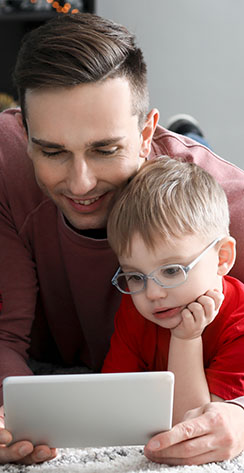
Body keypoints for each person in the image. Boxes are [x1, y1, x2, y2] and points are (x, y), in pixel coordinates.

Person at [0, 11, 244, 466]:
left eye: (105, 149)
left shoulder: (229, 204)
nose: (80, 182)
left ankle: (190, 135)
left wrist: (240, 414)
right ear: (25, 137)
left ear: (146, 130)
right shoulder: (5, 167)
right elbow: (4, 334)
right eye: (52, 151)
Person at [102, 155, 244, 426]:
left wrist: (186, 339)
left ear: (222, 258)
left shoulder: (239, 324)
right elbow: (113, 400)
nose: (152, 293)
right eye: (134, 276)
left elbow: (192, 424)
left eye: (171, 271)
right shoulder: (136, 307)